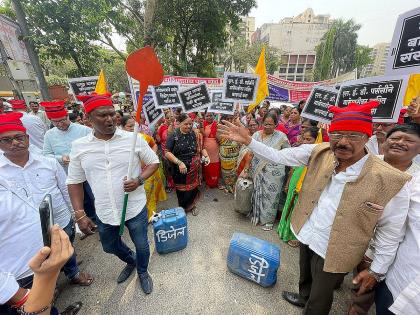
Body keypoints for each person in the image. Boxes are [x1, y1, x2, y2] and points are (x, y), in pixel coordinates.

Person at [219, 101, 411, 315]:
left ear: (367, 137)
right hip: (308, 232)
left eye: (353, 136)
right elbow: (281, 157)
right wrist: (249, 141)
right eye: (337, 135)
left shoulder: (388, 178)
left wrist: (377, 271)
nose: (343, 142)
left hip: (337, 248)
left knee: (320, 298)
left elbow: (391, 232)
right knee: (306, 275)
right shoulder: (319, 151)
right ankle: (303, 297)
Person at [66, 95, 159, 294]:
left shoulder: (133, 139)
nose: (110, 119)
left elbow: (154, 162)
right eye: (102, 115)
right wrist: (80, 214)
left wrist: (139, 180)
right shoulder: (79, 146)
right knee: (109, 246)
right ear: (88, 117)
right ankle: (131, 260)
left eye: (112, 114)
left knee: (142, 245)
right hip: (105, 211)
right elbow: (74, 182)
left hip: (134, 207)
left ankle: (143, 271)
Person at [0, 112, 93, 287]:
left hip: (59, 219)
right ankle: (47, 288)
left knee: (67, 249)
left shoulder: (48, 163)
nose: (14, 143)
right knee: (41, 259)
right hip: (25, 232)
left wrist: (77, 215)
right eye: (6, 140)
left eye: (18, 137)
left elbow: (65, 190)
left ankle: (73, 273)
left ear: (27, 138)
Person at [349, 123, 420, 315]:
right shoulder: (367, 162)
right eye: (395, 138)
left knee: (364, 297)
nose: (400, 143)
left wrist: (378, 264)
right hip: (355, 238)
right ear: (385, 142)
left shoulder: (415, 181)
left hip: (386, 252)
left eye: (409, 140)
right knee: (357, 282)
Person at [41, 101, 96, 222]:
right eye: (55, 122)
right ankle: (88, 219)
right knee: (79, 200)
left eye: (62, 120)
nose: (60, 124)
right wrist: (61, 158)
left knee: (94, 196)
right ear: (50, 120)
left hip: (88, 172)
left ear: (67, 116)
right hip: (66, 174)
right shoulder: (49, 135)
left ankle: (101, 219)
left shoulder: (84, 130)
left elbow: (95, 149)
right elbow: (46, 155)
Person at [245, 112, 289, 230]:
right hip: (257, 169)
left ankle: (268, 220)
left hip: (275, 173)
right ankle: (257, 216)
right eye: (265, 124)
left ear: (276, 124)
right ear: (262, 123)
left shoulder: (282, 137)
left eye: (270, 124)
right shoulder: (256, 135)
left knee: (271, 196)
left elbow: (287, 154)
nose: (267, 126)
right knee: (257, 192)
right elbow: (250, 153)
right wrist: (246, 167)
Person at [278, 127, 320, 248]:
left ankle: (295, 236)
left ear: (317, 140)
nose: (306, 142)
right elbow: (293, 168)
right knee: (289, 203)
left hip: (307, 184)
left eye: (309, 139)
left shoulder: (320, 157)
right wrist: (288, 183)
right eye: (304, 138)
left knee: (299, 208)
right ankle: (284, 231)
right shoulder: (300, 150)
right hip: (296, 179)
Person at [122, 116, 167, 219]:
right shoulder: (119, 143)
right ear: (122, 127)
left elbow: (154, 145)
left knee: (149, 194)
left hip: (147, 172)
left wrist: (151, 156)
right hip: (130, 175)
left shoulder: (142, 137)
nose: (133, 128)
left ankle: (150, 215)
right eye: (130, 126)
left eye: (135, 126)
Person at [165, 113, 210, 215]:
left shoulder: (194, 134)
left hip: (194, 168)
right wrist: (179, 162)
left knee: (193, 188)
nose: (189, 126)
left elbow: (201, 148)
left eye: (190, 124)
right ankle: (183, 208)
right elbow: (167, 152)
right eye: (186, 124)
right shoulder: (174, 136)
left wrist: (206, 156)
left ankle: (192, 206)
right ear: (180, 123)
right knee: (181, 190)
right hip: (179, 168)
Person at [217, 115, 241, 193]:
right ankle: (228, 186)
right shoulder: (219, 130)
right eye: (227, 119)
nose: (229, 120)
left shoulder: (237, 129)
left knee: (235, 172)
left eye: (231, 118)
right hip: (225, 158)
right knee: (226, 173)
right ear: (223, 120)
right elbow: (218, 140)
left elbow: (240, 142)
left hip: (235, 156)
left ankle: (234, 186)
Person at [156, 111, 175, 192]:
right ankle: (169, 185)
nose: (169, 119)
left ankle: (176, 184)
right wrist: (156, 132)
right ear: (165, 118)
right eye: (167, 118)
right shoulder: (162, 127)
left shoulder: (177, 126)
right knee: (167, 169)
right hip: (165, 152)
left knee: (175, 168)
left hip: (175, 151)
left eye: (171, 117)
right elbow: (159, 140)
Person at [201, 112, 220, 188]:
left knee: (215, 165)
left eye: (210, 115)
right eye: (207, 116)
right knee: (206, 164)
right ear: (204, 117)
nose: (209, 117)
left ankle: (215, 182)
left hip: (215, 149)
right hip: (205, 148)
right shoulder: (202, 124)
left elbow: (219, 139)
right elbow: (201, 135)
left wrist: (218, 129)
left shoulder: (217, 124)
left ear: (213, 116)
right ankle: (208, 182)